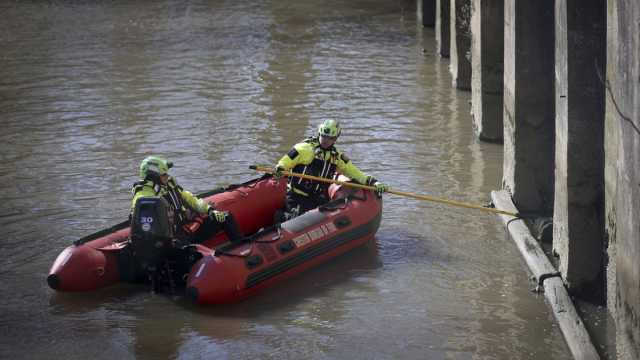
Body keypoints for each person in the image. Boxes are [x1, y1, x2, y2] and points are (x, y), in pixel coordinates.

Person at [274, 119, 388, 218]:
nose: (325, 140)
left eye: (330, 138)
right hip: (297, 197)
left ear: (335, 139)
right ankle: (281, 216)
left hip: (317, 198)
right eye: (323, 136)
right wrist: (280, 168)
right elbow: (285, 161)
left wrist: (374, 182)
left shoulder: (336, 156)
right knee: (297, 218)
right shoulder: (304, 149)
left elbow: (354, 172)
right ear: (319, 133)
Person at [131, 156, 243, 244]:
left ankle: (241, 248)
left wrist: (210, 210)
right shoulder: (143, 196)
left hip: (187, 230)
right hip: (173, 240)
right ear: (153, 176)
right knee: (188, 253)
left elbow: (191, 199)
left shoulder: (169, 184)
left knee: (225, 217)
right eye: (164, 174)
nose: (167, 176)